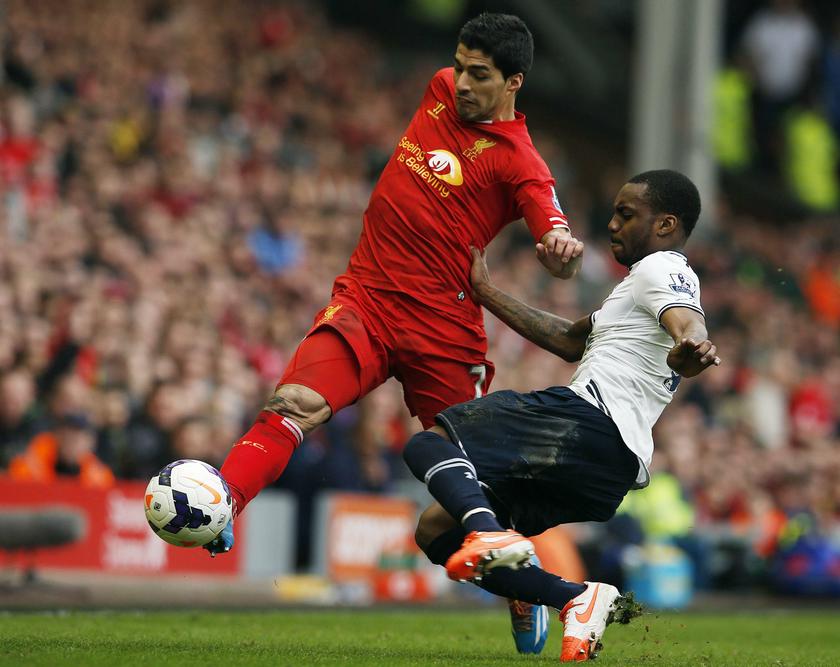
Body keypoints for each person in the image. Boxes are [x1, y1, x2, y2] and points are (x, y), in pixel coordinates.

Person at [205, 12, 582, 654]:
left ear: (513, 82)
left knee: (466, 485)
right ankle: (223, 504)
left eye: (479, 74)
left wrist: (559, 248)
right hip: (369, 300)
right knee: (294, 403)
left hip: (444, 329)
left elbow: (553, 233)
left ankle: (522, 586)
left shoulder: (521, 162)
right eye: (459, 66)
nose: (461, 83)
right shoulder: (438, 90)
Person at [400, 170, 720, 662]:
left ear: (665, 224)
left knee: (429, 442)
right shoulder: (635, 288)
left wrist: (693, 343)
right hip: (610, 468)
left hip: (588, 423)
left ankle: (490, 534)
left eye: (626, 214)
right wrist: (487, 294)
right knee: (437, 530)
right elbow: (570, 340)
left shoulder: (662, 269)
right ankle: (573, 598)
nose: (612, 224)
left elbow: (688, 321)